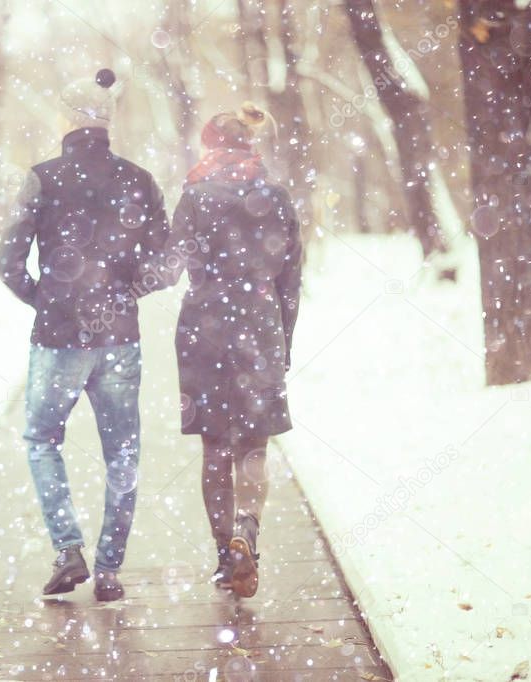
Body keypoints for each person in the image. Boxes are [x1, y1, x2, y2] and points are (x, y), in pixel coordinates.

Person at [0, 68, 170, 601]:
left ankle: (69, 549)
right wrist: (125, 294)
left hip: (58, 340)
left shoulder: (42, 178)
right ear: (108, 123)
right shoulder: (138, 180)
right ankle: (111, 569)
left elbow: (7, 262)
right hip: (119, 339)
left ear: (68, 120)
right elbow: (169, 263)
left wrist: (47, 301)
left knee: (42, 440)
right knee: (122, 452)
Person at [165, 103, 302, 598]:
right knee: (254, 445)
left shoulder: (195, 195)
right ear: (250, 146)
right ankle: (248, 528)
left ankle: (226, 553)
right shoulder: (277, 197)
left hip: (205, 331)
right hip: (260, 328)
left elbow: (168, 267)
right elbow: (290, 280)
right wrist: (283, 339)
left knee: (215, 446)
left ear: (210, 146)